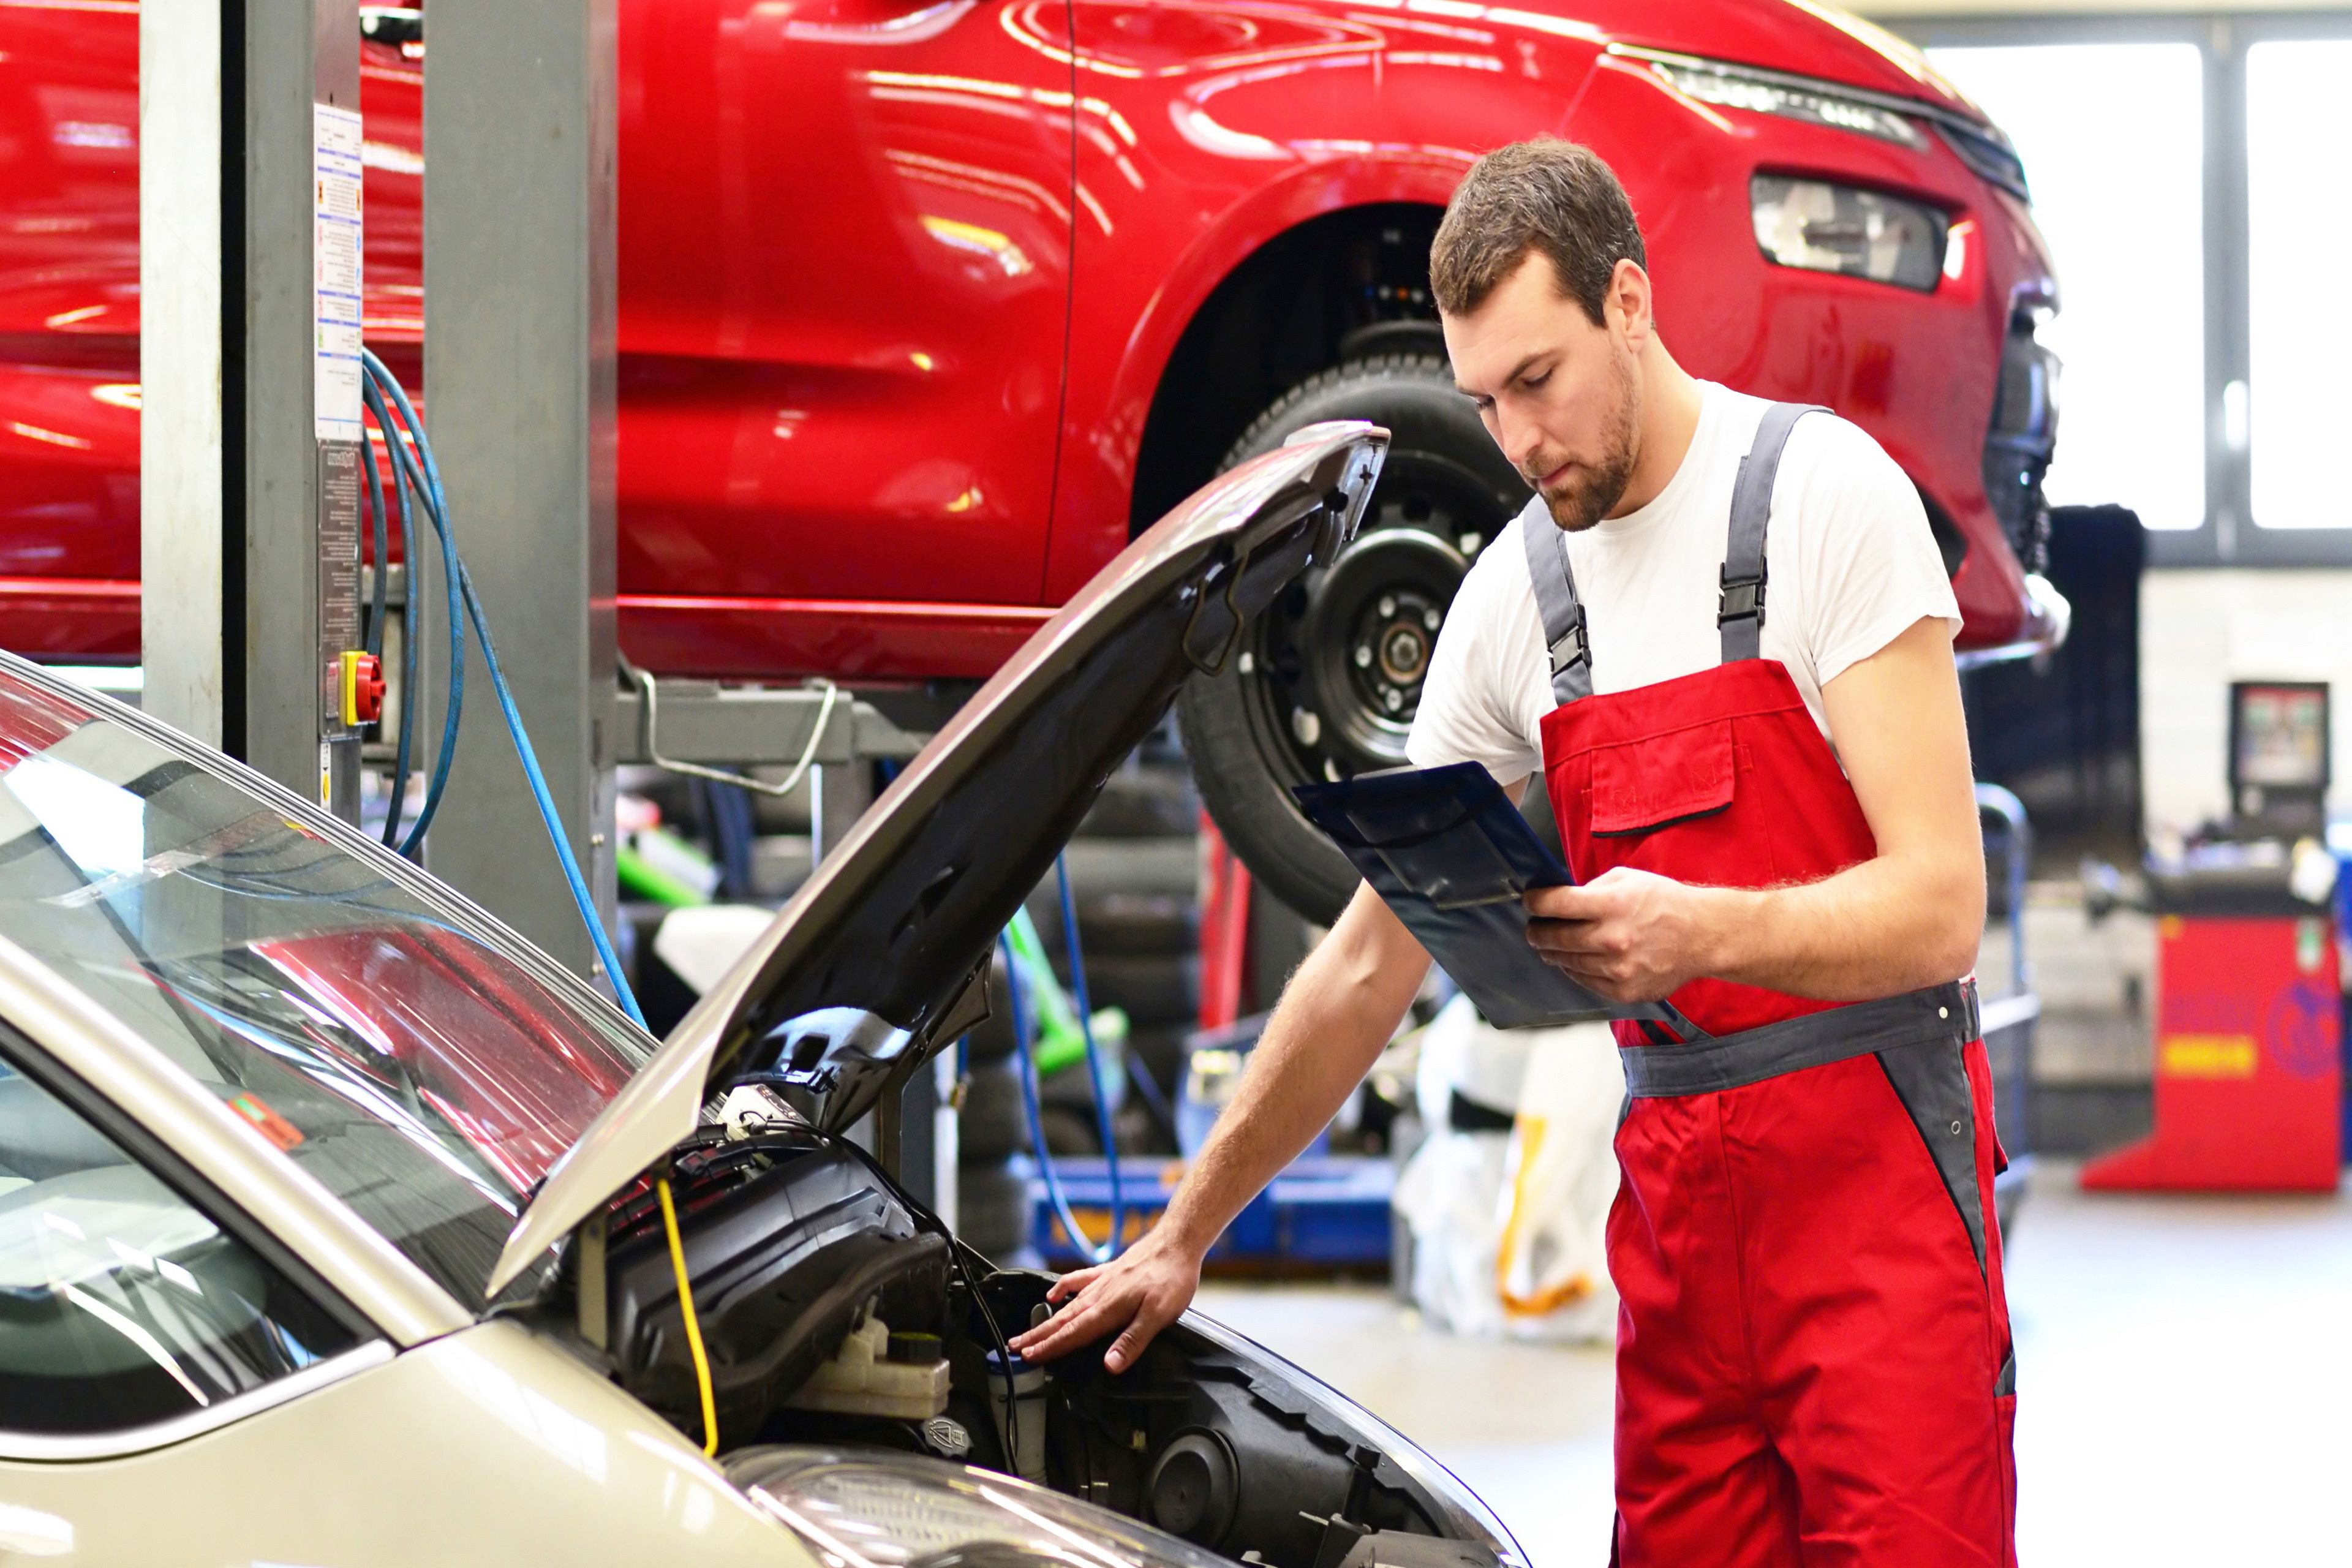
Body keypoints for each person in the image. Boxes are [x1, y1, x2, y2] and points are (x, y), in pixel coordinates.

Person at [1012, 138, 2014, 1567]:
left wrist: (1701, 931)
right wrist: (1182, 1232)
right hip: (1676, 1238)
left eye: (1538, 381)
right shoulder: (1512, 602)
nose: (1519, 440)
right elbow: (1367, 961)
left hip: (1882, 1215)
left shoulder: (1819, 499)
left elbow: (1941, 905)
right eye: (1485, 402)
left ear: (1628, 302)